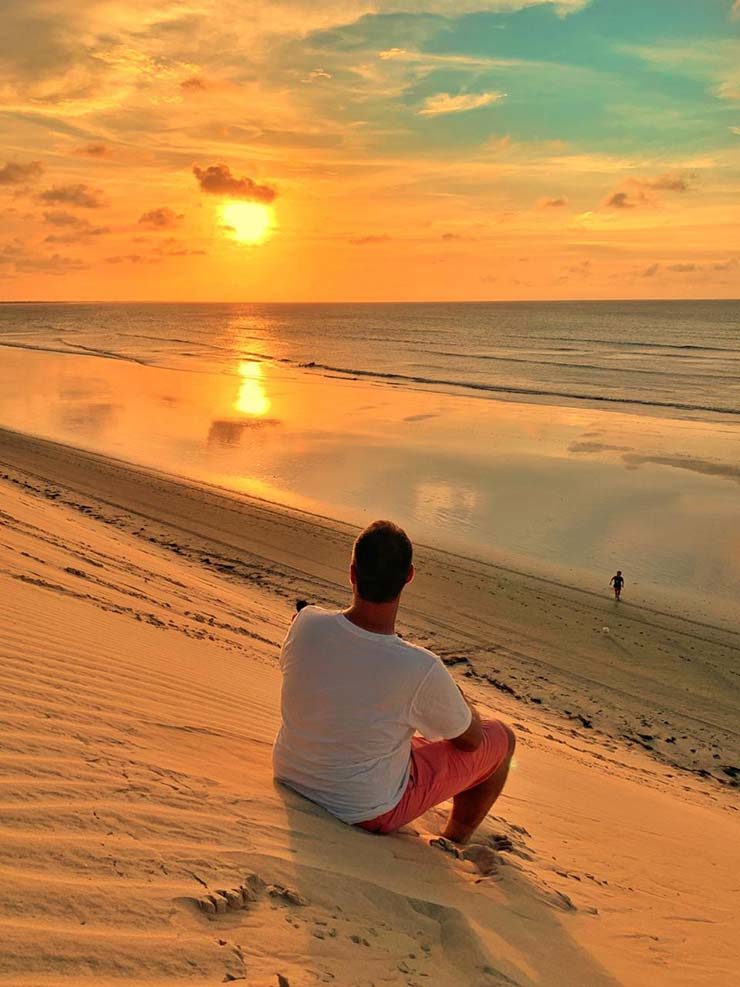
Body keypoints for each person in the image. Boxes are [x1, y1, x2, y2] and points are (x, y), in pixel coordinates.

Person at [272, 520, 515, 844]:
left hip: (291, 772)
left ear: (352, 573)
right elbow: (470, 740)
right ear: (409, 577)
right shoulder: (420, 667)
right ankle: (454, 841)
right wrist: (461, 700)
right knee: (501, 737)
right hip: (364, 808)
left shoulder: (306, 623)